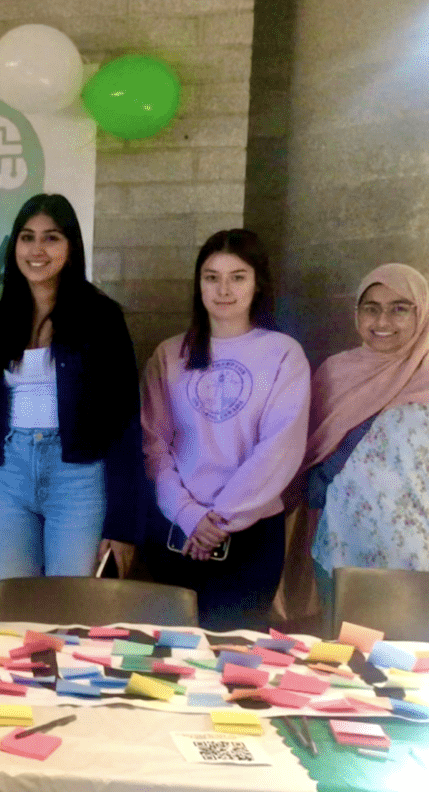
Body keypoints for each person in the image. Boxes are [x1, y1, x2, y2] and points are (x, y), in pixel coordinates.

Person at [0, 193, 145, 619]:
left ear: (70, 247)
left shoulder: (102, 317)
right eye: (27, 237)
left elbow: (126, 423)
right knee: (9, 613)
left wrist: (123, 526)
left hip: (78, 481)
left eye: (51, 238)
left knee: (72, 617)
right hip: (4, 479)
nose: (37, 250)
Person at [141, 229, 310, 632]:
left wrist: (217, 521)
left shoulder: (283, 353)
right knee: (169, 662)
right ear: (198, 285)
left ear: (258, 283)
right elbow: (153, 443)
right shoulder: (170, 354)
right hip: (176, 531)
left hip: (251, 537)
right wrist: (188, 515)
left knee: (234, 666)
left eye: (238, 276)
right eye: (211, 277)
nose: (224, 289)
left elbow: (278, 449)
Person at [300, 263, 429, 619]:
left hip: (423, 554)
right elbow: (309, 455)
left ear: (421, 311)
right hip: (342, 546)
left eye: (399, 308)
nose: (383, 320)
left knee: (410, 667)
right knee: (344, 663)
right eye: (371, 307)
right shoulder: (336, 373)